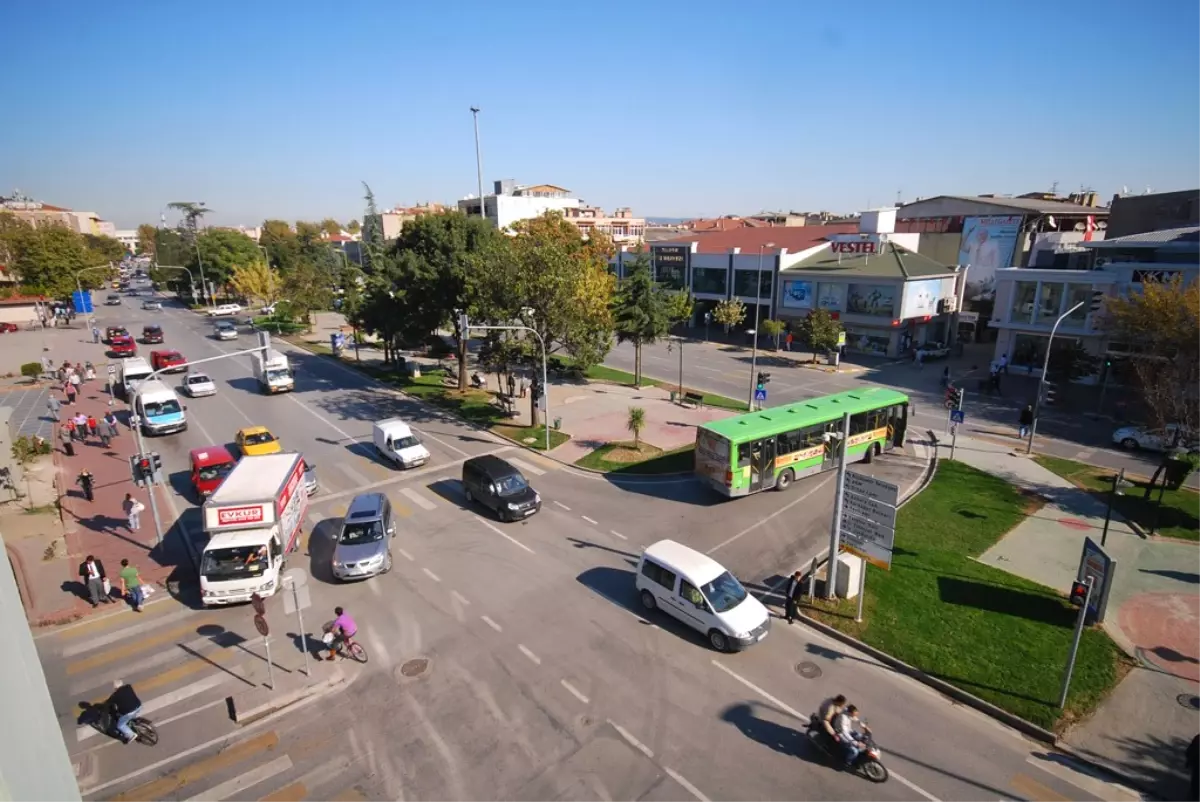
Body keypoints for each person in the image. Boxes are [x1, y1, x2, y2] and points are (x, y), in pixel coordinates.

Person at [833, 704, 867, 769]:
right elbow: (845, 733)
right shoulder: (843, 718)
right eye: (854, 715)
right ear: (850, 713)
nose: (855, 716)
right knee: (855, 751)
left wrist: (865, 727)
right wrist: (856, 743)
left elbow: (856, 719)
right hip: (841, 734)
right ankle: (848, 762)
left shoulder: (849, 712)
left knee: (861, 737)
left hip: (848, 731)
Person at [1187, 731, 1200, 801]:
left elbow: (1189, 751)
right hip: (1197, 767)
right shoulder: (1198, 739)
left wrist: (1188, 762)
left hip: (1197, 767)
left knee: (1195, 786)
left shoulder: (1198, 738)